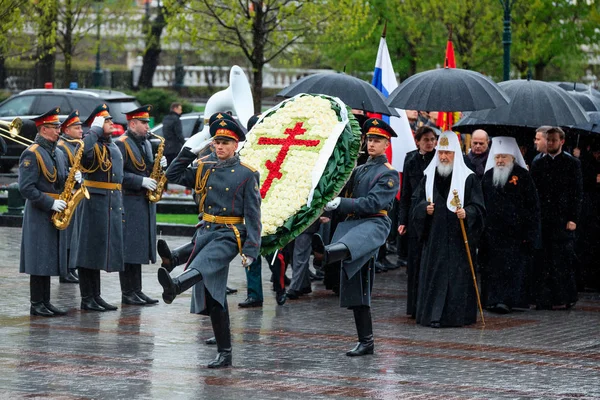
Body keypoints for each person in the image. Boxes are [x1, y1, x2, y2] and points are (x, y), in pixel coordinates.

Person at [158, 118, 261, 368]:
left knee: (203, 263)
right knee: (214, 297)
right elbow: (172, 174)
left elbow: (254, 215)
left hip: (230, 233)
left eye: (225, 143)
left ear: (236, 145)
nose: (219, 147)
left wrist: (251, 250)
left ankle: (176, 284)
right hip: (206, 229)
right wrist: (189, 151)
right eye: (216, 142)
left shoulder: (247, 173)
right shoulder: (205, 166)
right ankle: (225, 352)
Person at [312, 118, 399, 356]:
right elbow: (339, 188)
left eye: (377, 140)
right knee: (356, 286)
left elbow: (372, 203)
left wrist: (341, 203)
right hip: (353, 224)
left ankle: (326, 254)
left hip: (374, 223)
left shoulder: (389, 174)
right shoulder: (359, 169)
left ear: (386, 144)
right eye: (369, 139)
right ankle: (366, 341)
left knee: (358, 270)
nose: (371, 144)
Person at [412, 131, 485, 328]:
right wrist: (423, 210)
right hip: (435, 239)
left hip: (457, 240)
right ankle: (432, 315)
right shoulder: (428, 176)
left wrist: (467, 213)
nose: (444, 157)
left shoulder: (468, 178)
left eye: (448, 153)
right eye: (441, 152)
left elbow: (478, 207)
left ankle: (454, 316)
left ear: (456, 154)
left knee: (456, 278)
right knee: (435, 276)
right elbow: (416, 203)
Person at [71, 104, 125, 312]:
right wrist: (93, 130)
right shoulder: (89, 143)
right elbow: (83, 153)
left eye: (110, 120)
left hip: (110, 202)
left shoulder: (111, 145)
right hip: (93, 202)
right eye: (106, 121)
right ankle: (87, 298)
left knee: (99, 250)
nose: (111, 123)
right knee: (88, 251)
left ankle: (96, 296)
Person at [19, 107, 72, 316]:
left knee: (49, 257)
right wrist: (49, 203)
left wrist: (72, 179)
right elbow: (26, 188)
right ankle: (36, 303)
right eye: (54, 127)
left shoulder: (57, 152)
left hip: (55, 212)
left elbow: (60, 178)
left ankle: (46, 301)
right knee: (39, 258)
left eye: (59, 126)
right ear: (42, 129)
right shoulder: (31, 153)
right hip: (39, 212)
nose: (59, 130)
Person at [479, 137, 541, 314]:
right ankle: (491, 299)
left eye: (504, 157)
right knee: (491, 269)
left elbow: (532, 207)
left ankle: (506, 300)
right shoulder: (488, 176)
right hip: (491, 234)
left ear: (512, 158)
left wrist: (530, 233)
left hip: (515, 235)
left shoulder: (523, 176)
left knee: (510, 269)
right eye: (497, 157)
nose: (499, 160)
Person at [115, 105, 166, 305]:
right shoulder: (122, 144)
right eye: (143, 123)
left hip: (143, 202)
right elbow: (119, 175)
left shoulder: (145, 143)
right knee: (128, 249)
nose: (147, 126)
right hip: (128, 200)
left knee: (138, 248)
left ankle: (137, 290)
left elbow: (146, 168)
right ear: (132, 123)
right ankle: (127, 292)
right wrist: (141, 181)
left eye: (147, 122)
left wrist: (158, 166)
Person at [530, 127, 583, 310]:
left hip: (562, 218)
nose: (550, 143)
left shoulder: (571, 163)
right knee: (543, 258)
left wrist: (573, 218)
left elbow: (577, 193)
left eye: (554, 140)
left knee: (561, 259)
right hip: (544, 218)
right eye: (548, 140)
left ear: (561, 141)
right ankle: (543, 297)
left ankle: (563, 296)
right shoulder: (538, 163)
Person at [397, 125, 437, 318]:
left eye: (432, 140)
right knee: (414, 262)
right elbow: (405, 193)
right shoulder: (411, 159)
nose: (430, 143)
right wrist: (402, 220)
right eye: (426, 140)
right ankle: (413, 305)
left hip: (432, 214)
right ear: (418, 141)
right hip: (414, 216)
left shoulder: (439, 159)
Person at [56, 110, 84, 284]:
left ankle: (71, 268)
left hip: (75, 194)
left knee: (74, 235)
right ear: (66, 130)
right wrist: (71, 176)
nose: (81, 130)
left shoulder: (76, 145)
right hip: (66, 195)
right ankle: (64, 270)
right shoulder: (62, 147)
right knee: (67, 236)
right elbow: (59, 170)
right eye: (77, 127)